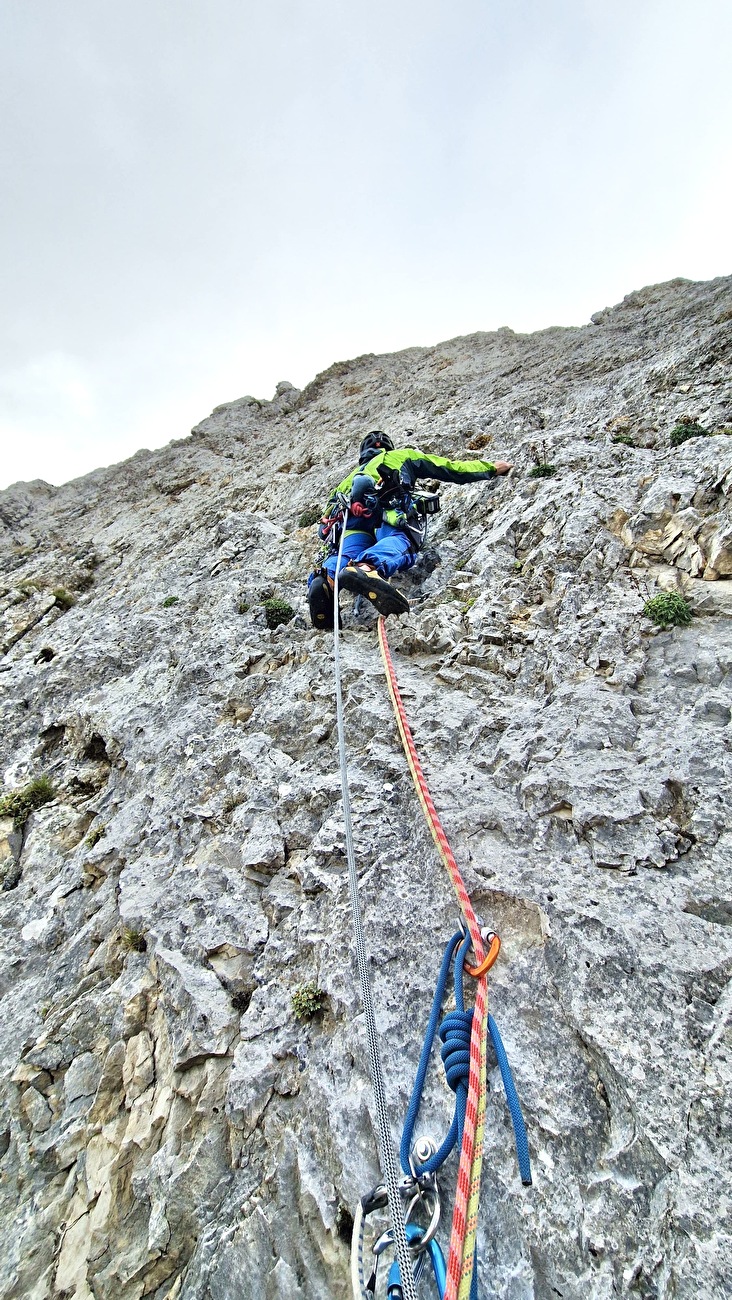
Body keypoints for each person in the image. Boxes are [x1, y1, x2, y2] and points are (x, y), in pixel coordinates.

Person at [307, 431, 512, 628]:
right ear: (388, 447)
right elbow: (449, 468)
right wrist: (490, 468)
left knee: (346, 554)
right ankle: (366, 568)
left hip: (350, 523)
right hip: (388, 509)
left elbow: (325, 523)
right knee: (400, 539)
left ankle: (326, 580)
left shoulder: (346, 481)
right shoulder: (400, 455)